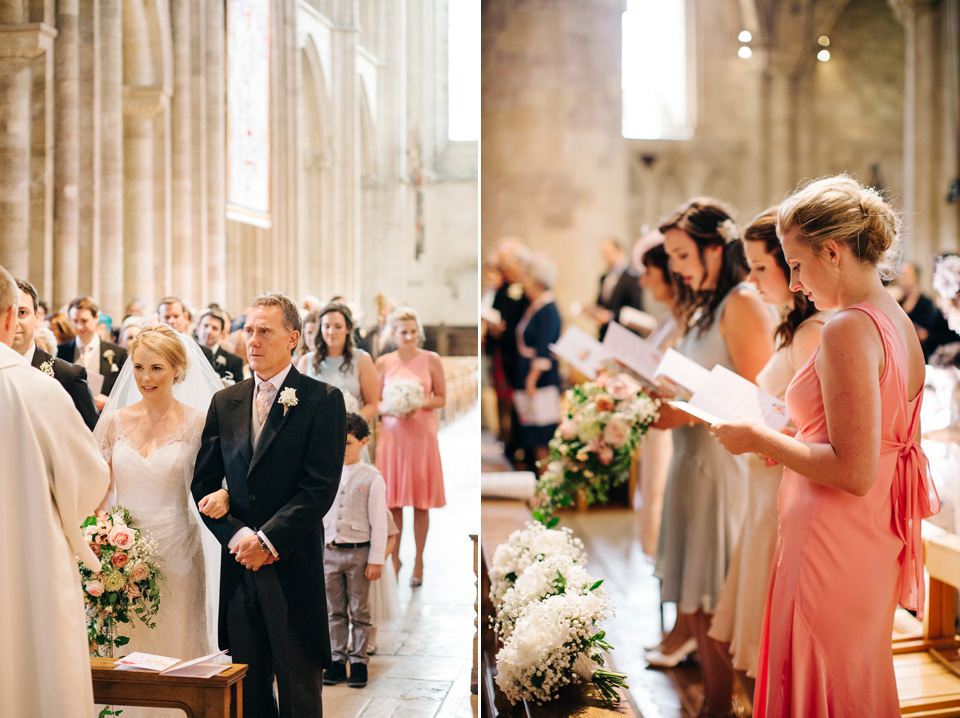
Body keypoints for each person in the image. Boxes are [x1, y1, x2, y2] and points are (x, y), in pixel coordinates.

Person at [711, 175, 938, 717]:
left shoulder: (846, 330)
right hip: (867, 535)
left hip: (829, 540)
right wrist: (794, 440)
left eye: (795, 263)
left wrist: (758, 437)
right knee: (853, 675)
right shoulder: (897, 321)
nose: (793, 283)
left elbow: (853, 469)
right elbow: (873, 446)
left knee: (821, 680)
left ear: (832, 252)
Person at [648, 199, 775, 718]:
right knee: (694, 595)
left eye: (682, 254)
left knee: (718, 593)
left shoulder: (742, 302)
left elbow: (757, 398)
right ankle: (715, 704)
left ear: (716, 249)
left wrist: (682, 410)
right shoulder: (700, 307)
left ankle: (729, 705)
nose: (675, 266)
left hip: (721, 466)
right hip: (689, 461)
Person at [192, 292, 346, 718]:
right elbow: (203, 483)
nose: (253, 340)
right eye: (248, 330)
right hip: (240, 567)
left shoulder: (321, 399)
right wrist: (240, 535)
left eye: (265, 331)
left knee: (298, 691)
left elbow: (319, 487)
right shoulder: (227, 401)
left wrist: (269, 539)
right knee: (249, 693)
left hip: (291, 564)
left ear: (293, 337)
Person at [705, 208, 825, 708]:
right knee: (749, 634)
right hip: (762, 495)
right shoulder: (791, 328)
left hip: (782, 494)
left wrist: (764, 431)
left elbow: (820, 429)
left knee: (768, 642)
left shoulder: (817, 331)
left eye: (760, 267)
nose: (751, 281)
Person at [93, 324, 226, 717]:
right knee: (125, 642)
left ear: (177, 370)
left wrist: (223, 495)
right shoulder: (114, 421)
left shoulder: (198, 422)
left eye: (156, 368)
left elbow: (218, 479)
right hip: (121, 550)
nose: (145, 378)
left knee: (175, 640)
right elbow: (97, 488)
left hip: (178, 549)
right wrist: (102, 536)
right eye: (138, 368)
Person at [0, 264, 110, 718]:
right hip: (30, 565)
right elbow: (89, 482)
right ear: (10, 317)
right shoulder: (37, 390)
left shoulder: (48, 380)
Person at [375, 306, 446, 587]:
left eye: (414, 332)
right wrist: (393, 406)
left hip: (421, 436)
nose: (410, 337)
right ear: (394, 334)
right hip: (393, 436)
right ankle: (395, 558)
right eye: (404, 332)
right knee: (393, 504)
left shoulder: (431, 360)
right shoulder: (383, 362)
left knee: (420, 502)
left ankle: (419, 560)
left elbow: (441, 398)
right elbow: (376, 401)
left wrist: (418, 403)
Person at [321, 413, 388, 689]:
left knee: (360, 610)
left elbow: (380, 523)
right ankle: (337, 659)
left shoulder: (373, 478)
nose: (342, 448)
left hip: (359, 553)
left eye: (347, 442)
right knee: (333, 610)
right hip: (329, 552)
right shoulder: (325, 471)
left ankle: (359, 661)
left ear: (363, 442)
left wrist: (375, 559)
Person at [633, 235, 683, 559]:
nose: (643, 280)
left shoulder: (684, 319)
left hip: (671, 423)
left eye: (649, 271)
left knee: (660, 500)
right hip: (654, 420)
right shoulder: (667, 316)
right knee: (649, 498)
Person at [12, 279, 99, 431]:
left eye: (22, 313)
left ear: (37, 317)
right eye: (7, 313)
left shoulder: (68, 376)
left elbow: (92, 436)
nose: (14, 322)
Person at [512, 252, 562, 470]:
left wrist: (532, 379)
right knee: (532, 433)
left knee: (543, 436)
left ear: (539, 282)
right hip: (528, 376)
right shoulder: (534, 305)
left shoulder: (548, 309)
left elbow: (544, 347)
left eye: (528, 277)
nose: (524, 282)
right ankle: (540, 482)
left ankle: (548, 484)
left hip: (540, 380)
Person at [297, 302, 378, 424]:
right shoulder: (306, 361)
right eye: (327, 326)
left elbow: (372, 405)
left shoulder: (362, 360)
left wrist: (348, 422)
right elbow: (298, 401)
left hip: (349, 433)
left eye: (338, 326)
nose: (331, 331)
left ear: (348, 328)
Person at [59, 296, 128, 410]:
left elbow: (126, 392)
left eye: (84, 321)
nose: (79, 326)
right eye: (75, 321)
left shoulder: (118, 353)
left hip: (103, 417)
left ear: (96, 317)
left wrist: (110, 402)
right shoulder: (61, 351)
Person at [584, 236, 644, 339]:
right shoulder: (604, 277)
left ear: (619, 251)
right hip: (606, 332)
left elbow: (635, 307)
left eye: (608, 252)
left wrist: (611, 315)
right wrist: (594, 311)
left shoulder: (632, 276)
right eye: (603, 253)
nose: (606, 256)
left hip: (625, 332)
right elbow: (601, 303)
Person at [898, 261, 960, 360]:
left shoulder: (927, 304)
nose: (902, 279)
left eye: (905, 275)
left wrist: (926, 335)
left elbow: (940, 334)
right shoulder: (898, 302)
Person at [157, 296, 214, 366]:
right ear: (159, 319)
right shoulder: (152, 350)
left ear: (185, 317)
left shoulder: (204, 352)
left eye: (176, 316)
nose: (171, 321)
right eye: (167, 317)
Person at [196, 308, 243, 384]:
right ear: (197, 329)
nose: (209, 331)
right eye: (206, 326)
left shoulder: (234, 362)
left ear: (222, 333)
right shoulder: (187, 353)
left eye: (214, 328)